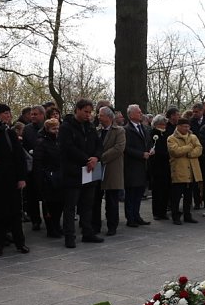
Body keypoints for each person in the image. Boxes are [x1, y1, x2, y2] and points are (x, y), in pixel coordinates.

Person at [0, 104, 28, 256]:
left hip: (10, 180)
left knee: (15, 213)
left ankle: (20, 242)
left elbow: (19, 157)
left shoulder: (8, 133)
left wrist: (21, 178)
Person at [59, 98, 104, 248]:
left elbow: (99, 145)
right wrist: (86, 159)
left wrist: (96, 158)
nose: (88, 115)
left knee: (87, 204)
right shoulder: (66, 127)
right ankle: (69, 236)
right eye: (85, 112)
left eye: (90, 112)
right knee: (71, 206)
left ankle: (87, 232)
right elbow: (68, 148)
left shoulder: (90, 127)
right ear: (77, 110)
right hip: (73, 171)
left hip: (90, 170)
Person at [93, 106, 125, 236]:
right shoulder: (96, 131)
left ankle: (112, 226)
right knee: (95, 199)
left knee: (112, 200)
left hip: (112, 169)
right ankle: (95, 225)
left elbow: (119, 148)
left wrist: (100, 158)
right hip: (97, 168)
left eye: (100, 115)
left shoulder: (119, 131)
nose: (98, 117)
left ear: (108, 117)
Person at [167, 118, 203, 225]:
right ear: (178, 127)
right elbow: (175, 151)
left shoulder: (193, 137)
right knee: (176, 196)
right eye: (184, 126)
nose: (186, 129)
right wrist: (189, 147)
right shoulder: (171, 138)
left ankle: (188, 215)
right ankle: (176, 216)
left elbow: (199, 149)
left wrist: (189, 153)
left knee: (188, 196)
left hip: (192, 171)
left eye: (188, 127)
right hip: (179, 170)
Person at [33, 118, 63, 239]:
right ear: (47, 129)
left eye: (57, 128)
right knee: (49, 205)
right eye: (53, 128)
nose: (56, 131)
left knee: (59, 204)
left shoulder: (60, 141)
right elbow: (38, 163)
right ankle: (51, 228)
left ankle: (57, 225)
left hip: (59, 177)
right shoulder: (41, 143)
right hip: (47, 178)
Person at [123, 104, 151, 227]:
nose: (141, 114)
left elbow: (147, 143)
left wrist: (150, 150)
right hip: (132, 166)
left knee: (139, 192)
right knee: (131, 194)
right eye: (138, 112)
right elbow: (126, 148)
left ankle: (137, 215)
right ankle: (130, 217)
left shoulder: (143, 128)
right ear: (131, 114)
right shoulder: (126, 129)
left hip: (143, 166)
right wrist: (140, 154)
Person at [22, 105, 46, 231]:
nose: (32, 116)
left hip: (45, 166)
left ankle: (49, 218)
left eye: (35, 114)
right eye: (31, 114)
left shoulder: (47, 127)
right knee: (32, 196)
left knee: (47, 194)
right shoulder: (27, 129)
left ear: (43, 115)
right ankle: (35, 220)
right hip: (32, 167)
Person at [149, 114, 171, 220]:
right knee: (157, 190)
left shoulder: (166, 134)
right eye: (161, 124)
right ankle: (156, 212)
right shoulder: (153, 133)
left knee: (166, 189)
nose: (163, 126)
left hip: (166, 165)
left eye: (164, 124)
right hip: (157, 165)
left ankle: (163, 211)